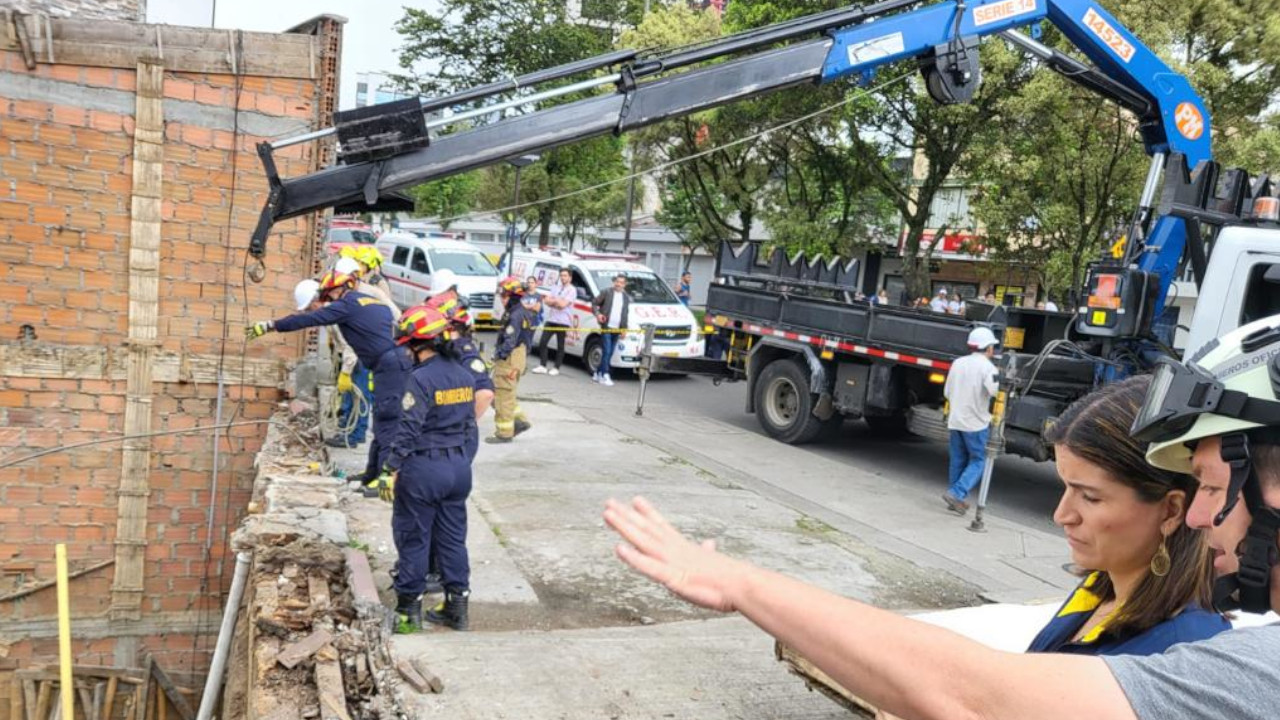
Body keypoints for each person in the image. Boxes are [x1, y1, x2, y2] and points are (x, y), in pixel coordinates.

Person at [604, 315, 1280, 720]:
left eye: (1211, 485)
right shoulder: (1099, 595)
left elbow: (971, 698)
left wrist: (742, 584)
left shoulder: (1209, 663)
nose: (1201, 515)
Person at [1026, 376, 1228, 655]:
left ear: (1171, 511)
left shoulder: (1181, 653)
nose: (1062, 515)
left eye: (1090, 497)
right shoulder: (1103, 587)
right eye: (1066, 487)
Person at [247, 268, 410, 474]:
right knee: (381, 421)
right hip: (390, 362)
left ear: (336, 290)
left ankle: (385, 476)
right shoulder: (365, 300)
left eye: (329, 293)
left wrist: (271, 325)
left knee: (387, 421)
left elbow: (307, 320)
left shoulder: (346, 306)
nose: (328, 297)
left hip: (389, 365)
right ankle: (372, 474)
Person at [374, 305, 476, 632]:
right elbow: (469, 424)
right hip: (458, 468)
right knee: (453, 539)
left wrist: (389, 468)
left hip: (424, 469)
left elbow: (409, 429)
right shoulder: (464, 374)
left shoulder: (420, 379)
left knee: (414, 537)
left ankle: (408, 614)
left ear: (417, 344)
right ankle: (457, 609)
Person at [941, 326, 999, 515]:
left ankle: (955, 498)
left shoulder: (958, 363)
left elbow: (947, 392)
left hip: (955, 419)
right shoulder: (988, 368)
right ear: (988, 347)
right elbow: (995, 392)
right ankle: (956, 493)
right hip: (976, 423)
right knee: (979, 460)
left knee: (957, 459)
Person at [487, 276, 536, 444]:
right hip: (518, 356)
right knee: (507, 394)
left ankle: (504, 433)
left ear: (513, 296)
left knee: (502, 395)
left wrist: (497, 356)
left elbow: (509, 341)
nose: (502, 299)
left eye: (504, 295)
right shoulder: (523, 311)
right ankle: (520, 421)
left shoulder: (514, 315)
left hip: (510, 358)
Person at [533, 268, 577, 376]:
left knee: (560, 345)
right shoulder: (555, 287)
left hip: (563, 321)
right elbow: (546, 301)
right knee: (543, 342)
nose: (563, 278)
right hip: (552, 319)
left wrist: (555, 301)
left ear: (570, 277)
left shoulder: (572, 290)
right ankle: (543, 365)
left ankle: (556, 367)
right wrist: (557, 301)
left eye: (565, 275)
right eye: (561, 275)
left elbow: (562, 305)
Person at [591, 274, 631, 387]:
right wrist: (598, 314)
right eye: (617, 282)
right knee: (607, 351)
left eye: (621, 282)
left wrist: (624, 329)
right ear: (614, 282)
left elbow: (625, 314)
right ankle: (605, 374)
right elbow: (594, 303)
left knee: (609, 352)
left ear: (625, 284)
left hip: (617, 329)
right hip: (606, 327)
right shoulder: (606, 292)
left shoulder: (626, 297)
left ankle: (597, 373)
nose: (618, 284)